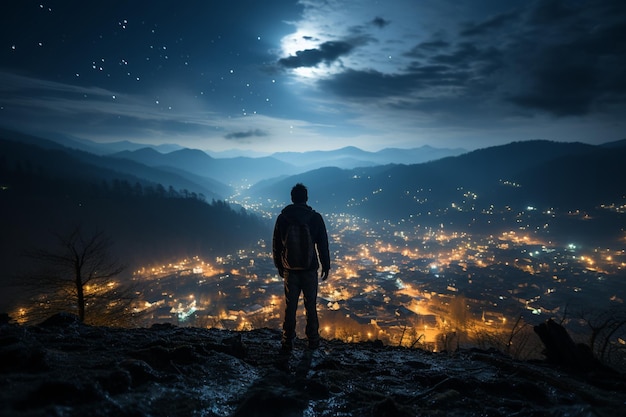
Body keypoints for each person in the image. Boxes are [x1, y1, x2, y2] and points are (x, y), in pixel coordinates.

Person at [273, 183, 330, 352]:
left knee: (290, 307)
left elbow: (277, 245)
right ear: (306, 198)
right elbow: (322, 244)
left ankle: (287, 340)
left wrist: (279, 265)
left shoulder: (283, 218)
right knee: (310, 306)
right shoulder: (315, 218)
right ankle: (313, 340)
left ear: (292, 198)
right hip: (309, 269)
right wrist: (326, 265)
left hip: (290, 270)